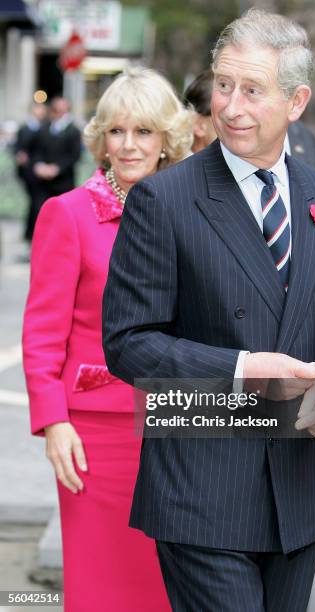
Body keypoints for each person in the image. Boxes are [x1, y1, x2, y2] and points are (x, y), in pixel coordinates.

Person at [103, 10, 315, 612]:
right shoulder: (163, 200)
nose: (229, 106)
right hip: (201, 490)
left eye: (252, 90)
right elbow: (128, 343)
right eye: (223, 84)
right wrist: (241, 367)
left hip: (297, 490)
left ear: (297, 102)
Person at [23, 67, 192, 612]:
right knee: (102, 588)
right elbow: (42, 334)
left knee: (171, 589)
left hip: (180, 426)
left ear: (167, 137)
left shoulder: (196, 216)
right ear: (101, 137)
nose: (128, 145)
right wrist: (54, 422)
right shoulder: (67, 214)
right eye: (117, 131)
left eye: (143, 131)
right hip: (95, 440)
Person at [185, 67, 315, 169]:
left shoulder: (306, 141)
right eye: (224, 113)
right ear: (197, 124)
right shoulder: (172, 185)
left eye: (252, 93)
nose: (235, 113)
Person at [32, 97, 82, 204]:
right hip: (43, 182)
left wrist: (57, 168)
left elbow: (75, 155)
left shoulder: (73, 131)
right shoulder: (44, 128)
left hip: (64, 181)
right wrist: (39, 165)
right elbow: (37, 149)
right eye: (56, 109)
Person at [14, 102, 48, 241]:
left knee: (36, 203)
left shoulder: (46, 127)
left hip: (40, 172)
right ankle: (31, 232)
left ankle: (32, 232)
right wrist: (19, 155)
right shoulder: (24, 128)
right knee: (34, 203)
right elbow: (18, 147)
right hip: (28, 173)